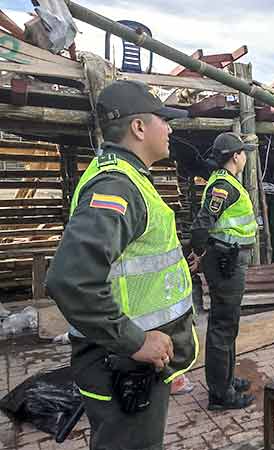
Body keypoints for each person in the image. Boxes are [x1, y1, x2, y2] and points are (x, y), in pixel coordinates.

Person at [46, 80, 197, 449]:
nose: (171, 128)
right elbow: (70, 280)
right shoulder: (116, 187)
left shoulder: (128, 178)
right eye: (164, 119)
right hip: (122, 365)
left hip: (131, 365)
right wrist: (135, 340)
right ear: (139, 127)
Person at [187, 132, 257, 410]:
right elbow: (201, 225)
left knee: (229, 323)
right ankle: (220, 393)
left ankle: (226, 379)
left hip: (227, 258)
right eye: (244, 152)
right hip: (227, 260)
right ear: (235, 156)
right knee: (223, 325)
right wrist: (199, 252)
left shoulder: (225, 183)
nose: (246, 156)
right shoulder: (224, 187)